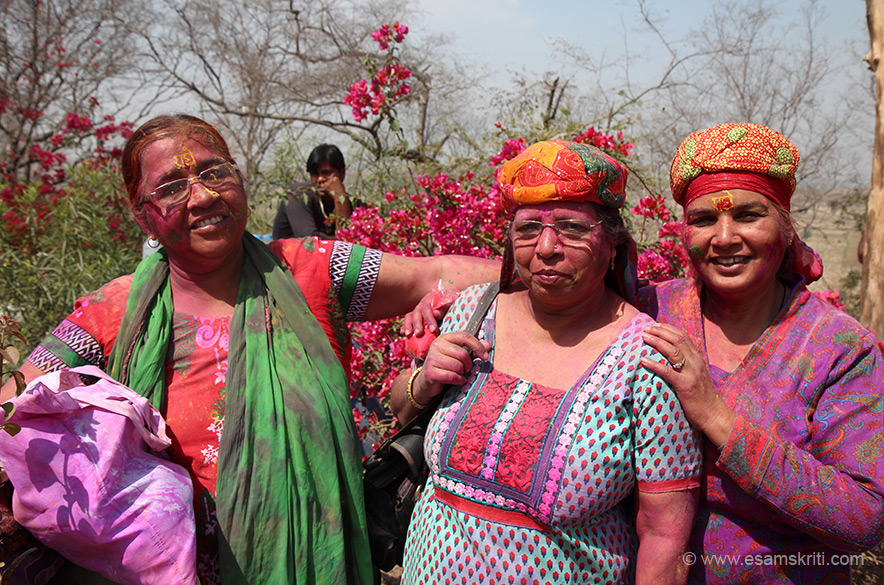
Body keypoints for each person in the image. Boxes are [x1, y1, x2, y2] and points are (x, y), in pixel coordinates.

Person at [0, 114, 499, 585]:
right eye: (172, 188)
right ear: (145, 219)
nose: (202, 196)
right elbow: (12, 410)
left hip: (305, 561)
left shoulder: (311, 271)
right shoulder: (112, 312)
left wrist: (549, 277)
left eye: (215, 172)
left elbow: (430, 275)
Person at [391, 140, 702, 585]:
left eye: (573, 228)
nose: (547, 247)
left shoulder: (646, 361)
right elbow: (401, 410)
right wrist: (422, 383)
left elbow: (664, 537)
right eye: (528, 228)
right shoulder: (473, 312)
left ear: (613, 244)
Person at [638, 122, 884, 583]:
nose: (725, 237)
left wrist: (718, 418)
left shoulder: (838, 347)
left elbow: (865, 518)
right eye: (705, 219)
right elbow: (552, 284)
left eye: (749, 215)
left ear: (786, 227)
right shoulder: (651, 310)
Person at [272, 143, 353, 239]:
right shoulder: (297, 194)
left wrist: (340, 199)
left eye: (326, 173)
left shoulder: (352, 203)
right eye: (315, 174)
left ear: (342, 173)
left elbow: (349, 242)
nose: (320, 179)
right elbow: (310, 242)